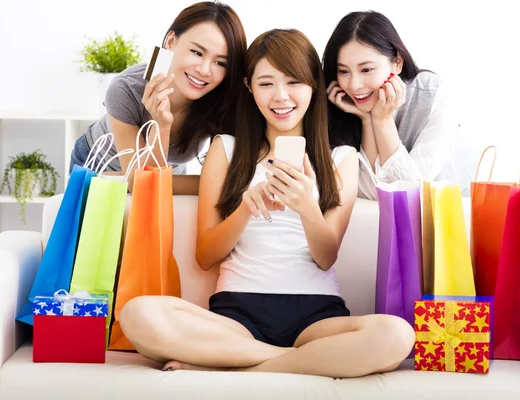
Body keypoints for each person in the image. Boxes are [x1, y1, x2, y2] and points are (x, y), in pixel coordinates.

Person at [118, 28, 415, 378]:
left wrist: (306, 206)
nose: (281, 96)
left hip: (315, 315)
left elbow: (326, 257)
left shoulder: (341, 158)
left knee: (398, 334)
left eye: (293, 82)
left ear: (313, 85)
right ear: (248, 86)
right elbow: (206, 255)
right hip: (236, 313)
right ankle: (291, 360)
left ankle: (239, 362)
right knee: (138, 314)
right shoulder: (226, 149)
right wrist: (245, 209)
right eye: (266, 83)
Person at [68, 1, 247, 194]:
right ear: (171, 41)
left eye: (220, 63)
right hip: (99, 165)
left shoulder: (222, 97)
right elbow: (145, 184)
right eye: (196, 52)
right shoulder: (127, 88)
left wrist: (152, 179)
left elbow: (152, 181)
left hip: (165, 172)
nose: (204, 70)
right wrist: (161, 126)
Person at [323, 11, 457, 199]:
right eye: (343, 71)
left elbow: (407, 193)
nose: (353, 85)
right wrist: (368, 121)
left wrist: (383, 120)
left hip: (434, 221)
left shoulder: (434, 95)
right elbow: (371, 193)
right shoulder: (335, 101)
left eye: (366, 69)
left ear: (397, 62)